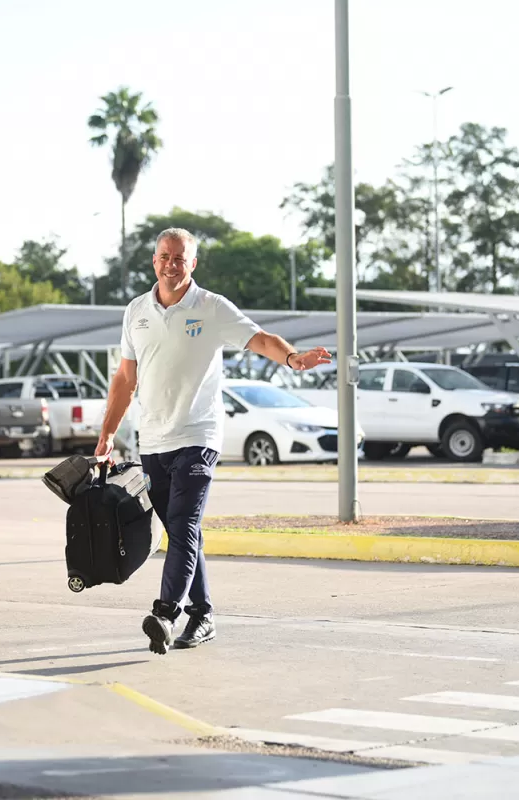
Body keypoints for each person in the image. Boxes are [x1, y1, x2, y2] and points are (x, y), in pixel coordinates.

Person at [94, 227, 332, 655]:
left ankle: (166, 614)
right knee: (181, 532)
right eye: (165, 256)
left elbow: (259, 339)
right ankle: (202, 615)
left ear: (193, 264)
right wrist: (107, 432)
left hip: (199, 435)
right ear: (154, 260)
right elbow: (125, 379)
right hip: (153, 439)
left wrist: (293, 357)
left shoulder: (211, 307)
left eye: (179, 258)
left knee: (183, 525)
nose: (171, 264)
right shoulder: (136, 312)